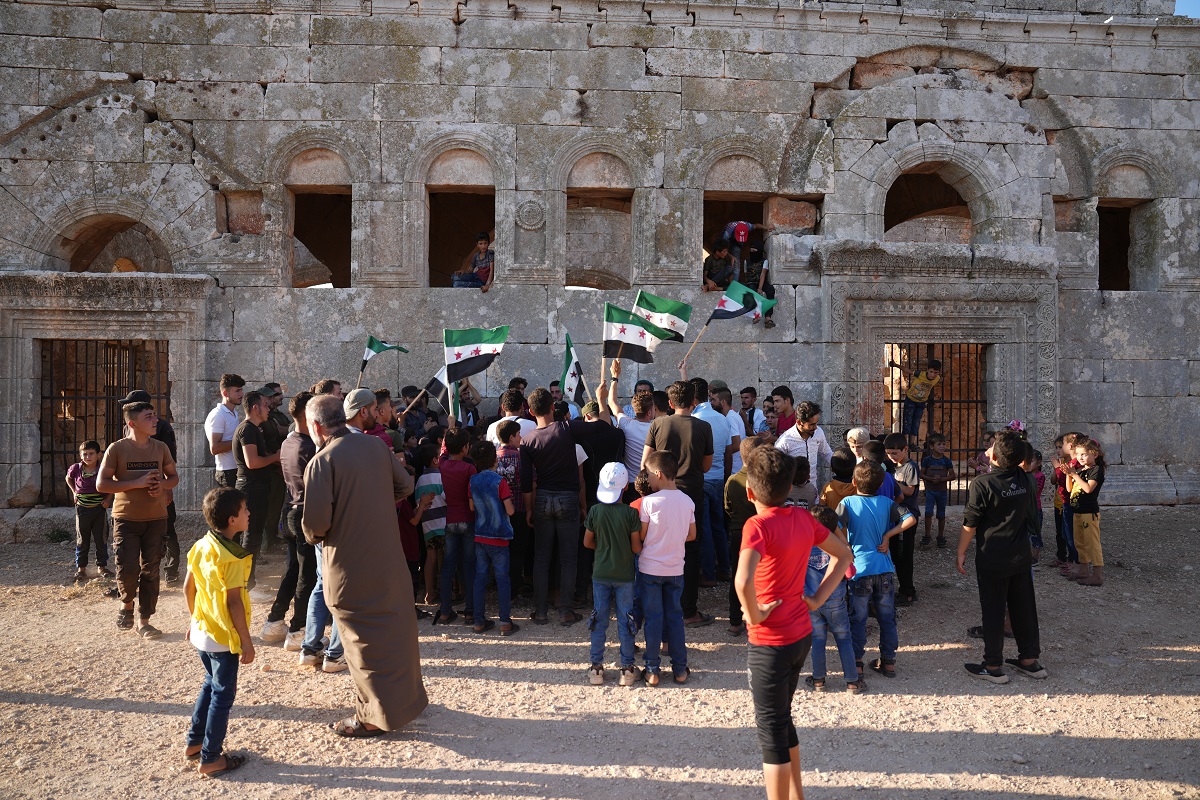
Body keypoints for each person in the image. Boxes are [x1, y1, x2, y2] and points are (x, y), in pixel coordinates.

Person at [302, 395, 427, 737]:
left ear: (316, 427)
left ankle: (372, 717)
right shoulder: (375, 447)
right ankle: (407, 703)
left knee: (360, 642)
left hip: (348, 566)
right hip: (389, 557)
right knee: (396, 636)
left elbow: (315, 526)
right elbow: (404, 485)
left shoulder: (321, 461)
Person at [734, 446, 852, 800]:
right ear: (788, 488)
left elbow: (742, 582)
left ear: (750, 492)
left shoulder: (756, 525)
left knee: (770, 731)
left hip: (770, 640)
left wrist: (754, 614)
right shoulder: (804, 519)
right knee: (783, 720)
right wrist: (816, 599)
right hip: (800, 633)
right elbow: (844, 555)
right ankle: (797, 795)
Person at [957, 430, 1047, 684]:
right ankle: (1030, 659)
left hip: (992, 556)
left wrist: (961, 551)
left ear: (994, 455)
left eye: (990, 448)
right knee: (1023, 606)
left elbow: (970, 522)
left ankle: (993, 664)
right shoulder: (1025, 478)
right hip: (1020, 553)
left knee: (994, 609)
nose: (986, 451)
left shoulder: (982, 484)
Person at [183, 487, 254, 777]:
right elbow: (233, 602)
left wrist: (193, 620)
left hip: (202, 631)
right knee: (223, 695)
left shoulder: (201, 545)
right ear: (232, 519)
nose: (249, 513)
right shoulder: (233, 558)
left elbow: (189, 587)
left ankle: (194, 743)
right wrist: (247, 643)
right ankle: (211, 757)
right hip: (223, 638)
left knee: (210, 685)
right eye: (245, 510)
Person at [97, 401, 178, 638]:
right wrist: (137, 483)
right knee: (127, 567)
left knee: (151, 569)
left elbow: (173, 477)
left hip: (156, 518)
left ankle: (145, 621)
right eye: (149, 417)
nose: (155, 420)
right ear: (132, 423)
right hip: (126, 519)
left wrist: (161, 486)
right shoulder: (117, 449)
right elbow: (102, 484)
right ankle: (127, 605)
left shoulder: (161, 447)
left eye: (155, 416)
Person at [642, 380, 714, 628]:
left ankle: (659, 606)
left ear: (670, 403)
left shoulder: (658, 423)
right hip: (691, 493)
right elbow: (706, 466)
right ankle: (688, 610)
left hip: (660, 492)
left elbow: (646, 462)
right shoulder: (704, 427)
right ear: (694, 401)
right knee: (691, 550)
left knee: (656, 545)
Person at [835, 460, 915, 680]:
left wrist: (846, 544)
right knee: (887, 617)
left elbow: (831, 523)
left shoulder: (847, 502)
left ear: (853, 482)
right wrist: (889, 535)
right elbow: (910, 519)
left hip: (859, 569)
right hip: (885, 569)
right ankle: (888, 661)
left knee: (858, 617)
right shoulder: (887, 502)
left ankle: (857, 663)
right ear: (881, 484)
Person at [521, 387, 588, 626]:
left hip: (542, 499)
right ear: (553, 407)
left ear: (530, 411)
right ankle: (565, 611)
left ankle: (540, 611)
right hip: (568, 497)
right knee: (568, 557)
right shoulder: (566, 429)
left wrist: (529, 509)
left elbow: (527, 483)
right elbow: (598, 428)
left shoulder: (527, 441)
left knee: (541, 557)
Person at [261, 391, 317, 652]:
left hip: (290, 511)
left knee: (293, 570)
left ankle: (274, 620)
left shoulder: (288, 442)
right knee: (306, 575)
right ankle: (297, 629)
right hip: (305, 514)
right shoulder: (309, 447)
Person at [637, 451, 696, 685]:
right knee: (675, 617)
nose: (647, 480)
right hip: (675, 568)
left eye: (649, 475)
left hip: (650, 568)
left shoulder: (649, 502)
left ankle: (652, 670)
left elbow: (642, 534)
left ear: (659, 474)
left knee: (653, 618)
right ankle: (680, 669)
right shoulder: (687, 501)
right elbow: (692, 535)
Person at [583, 462, 642, 686]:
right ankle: (627, 668)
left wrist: (603, 546)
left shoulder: (595, 511)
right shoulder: (630, 513)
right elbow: (636, 548)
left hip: (600, 573)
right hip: (625, 576)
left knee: (599, 619)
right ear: (625, 487)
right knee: (626, 621)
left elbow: (587, 542)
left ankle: (596, 667)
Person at [119, 389, 181, 582]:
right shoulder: (128, 427)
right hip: (136, 491)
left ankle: (171, 570)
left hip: (157, 486)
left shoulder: (162, 428)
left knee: (167, 529)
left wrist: (166, 488)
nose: (124, 407)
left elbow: (170, 461)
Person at [805, 506, 863, 694]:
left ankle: (818, 680)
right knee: (844, 638)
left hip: (812, 601)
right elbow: (850, 573)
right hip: (836, 602)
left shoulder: (803, 546)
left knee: (818, 640)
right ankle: (852, 682)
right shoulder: (838, 547)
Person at [469, 441, 518, 635]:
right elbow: (510, 511)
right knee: (502, 578)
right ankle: (505, 622)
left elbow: (472, 507)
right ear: (494, 459)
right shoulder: (500, 482)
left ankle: (478, 620)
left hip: (480, 535)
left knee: (480, 578)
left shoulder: (473, 480)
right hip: (499, 537)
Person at [232, 390, 279, 588]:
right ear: (255, 408)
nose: (268, 409)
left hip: (258, 487)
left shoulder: (255, 429)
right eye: (265, 405)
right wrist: (276, 457)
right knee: (251, 536)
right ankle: (246, 584)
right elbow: (252, 462)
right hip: (251, 488)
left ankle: (246, 582)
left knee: (254, 535)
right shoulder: (248, 429)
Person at [691, 376, 733, 585]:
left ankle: (708, 573)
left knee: (705, 527)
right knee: (719, 527)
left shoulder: (697, 420)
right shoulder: (722, 419)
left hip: (703, 478)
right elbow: (727, 453)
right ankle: (724, 569)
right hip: (718, 479)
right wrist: (725, 477)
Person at [725, 435, 768, 636]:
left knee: (738, 574)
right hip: (761, 534)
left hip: (737, 532)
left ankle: (735, 620)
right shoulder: (764, 482)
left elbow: (728, 508)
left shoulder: (732, 481)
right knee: (761, 576)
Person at [435, 428, 477, 625]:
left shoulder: (442, 464)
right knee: (469, 566)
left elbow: (443, 452)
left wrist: (448, 432)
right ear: (465, 448)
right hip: (468, 519)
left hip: (450, 519)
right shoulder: (470, 469)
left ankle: (445, 611)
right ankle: (470, 610)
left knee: (448, 566)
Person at [494, 420, 531, 597]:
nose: (520, 437)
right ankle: (515, 586)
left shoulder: (493, 458)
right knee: (517, 549)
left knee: (502, 549)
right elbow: (529, 484)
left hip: (498, 511)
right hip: (519, 509)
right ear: (511, 436)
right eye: (518, 434)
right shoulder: (521, 457)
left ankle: (501, 585)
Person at [67, 440, 112, 583]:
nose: (88, 457)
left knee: (101, 538)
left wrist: (108, 499)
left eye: (91, 453)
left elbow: (111, 483)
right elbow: (69, 478)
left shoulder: (103, 469)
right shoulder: (76, 469)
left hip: (99, 509)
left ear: (99, 455)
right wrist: (74, 492)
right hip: (82, 509)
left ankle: (102, 567)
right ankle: (81, 569)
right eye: (84, 454)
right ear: (80, 455)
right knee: (82, 539)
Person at [884, 433, 920, 606]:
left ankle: (908, 591)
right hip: (896, 516)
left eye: (895, 453)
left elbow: (910, 491)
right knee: (897, 555)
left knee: (904, 555)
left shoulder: (910, 467)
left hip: (908, 515)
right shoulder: (891, 466)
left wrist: (892, 481)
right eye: (889, 453)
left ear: (905, 449)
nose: (891, 457)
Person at [1065, 438, 1106, 587]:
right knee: (1080, 543)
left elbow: (1088, 489)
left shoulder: (1096, 470)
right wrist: (1069, 475)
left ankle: (1097, 575)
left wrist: (1074, 475)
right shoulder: (1081, 470)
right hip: (1078, 512)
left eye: (1083, 454)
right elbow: (1070, 490)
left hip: (1089, 513)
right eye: (1078, 454)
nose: (1080, 457)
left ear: (1094, 454)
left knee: (1092, 543)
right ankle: (1083, 571)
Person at [607, 359, 655, 479]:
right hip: (651, 480)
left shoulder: (626, 424)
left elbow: (612, 402)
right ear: (650, 412)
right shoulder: (657, 427)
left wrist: (615, 377)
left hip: (630, 481)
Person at [412, 445, 447, 607]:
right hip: (443, 522)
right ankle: (446, 589)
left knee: (430, 557)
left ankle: (429, 592)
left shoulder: (419, 480)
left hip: (427, 524)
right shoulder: (441, 477)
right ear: (435, 460)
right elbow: (447, 498)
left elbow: (418, 502)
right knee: (444, 558)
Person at [774, 400, 834, 491]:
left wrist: (841, 466)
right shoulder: (785, 440)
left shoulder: (819, 432)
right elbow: (776, 466)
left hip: (813, 489)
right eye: (811, 424)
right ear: (799, 422)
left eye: (816, 423)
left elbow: (827, 453)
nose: (815, 427)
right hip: (791, 490)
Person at [257, 384, 288, 555]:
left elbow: (287, 432)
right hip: (270, 469)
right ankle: (265, 543)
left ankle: (272, 537)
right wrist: (277, 463)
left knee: (276, 505)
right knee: (268, 507)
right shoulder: (264, 420)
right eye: (273, 396)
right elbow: (265, 447)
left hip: (279, 467)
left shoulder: (277, 416)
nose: (278, 398)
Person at [888, 359, 942, 449]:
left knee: (916, 422)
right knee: (907, 421)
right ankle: (904, 444)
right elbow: (907, 370)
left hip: (921, 402)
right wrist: (896, 365)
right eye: (931, 372)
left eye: (935, 372)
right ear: (927, 370)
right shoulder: (920, 374)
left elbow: (941, 379)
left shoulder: (937, 378)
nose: (933, 374)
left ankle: (912, 444)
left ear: (938, 372)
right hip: (911, 400)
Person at [204, 374, 244, 488]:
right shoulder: (218, 415)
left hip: (236, 470)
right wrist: (240, 440)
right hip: (227, 473)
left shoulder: (234, 413)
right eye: (237, 391)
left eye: (241, 390)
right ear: (225, 393)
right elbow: (214, 448)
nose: (241, 394)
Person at [920, 433, 955, 548]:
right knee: (928, 513)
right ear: (931, 446)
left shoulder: (947, 461)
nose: (942, 446)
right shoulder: (927, 460)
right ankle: (927, 535)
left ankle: (940, 536)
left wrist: (941, 479)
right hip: (930, 491)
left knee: (941, 514)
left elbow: (952, 476)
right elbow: (921, 474)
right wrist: (930, 479)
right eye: (939, 444)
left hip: (942, 491)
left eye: (944, 444)